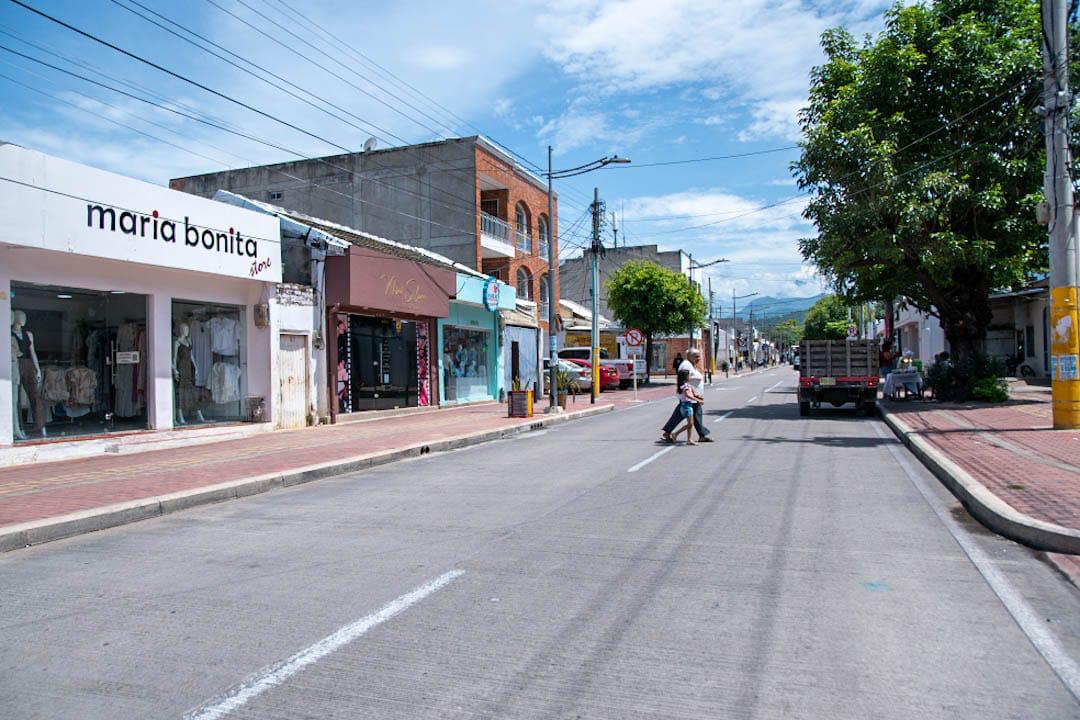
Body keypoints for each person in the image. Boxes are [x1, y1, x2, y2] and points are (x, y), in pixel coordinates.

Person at [660, 348, 712, 443]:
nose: (699, 358)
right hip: (688, 398)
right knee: (681, 415)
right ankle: (668, 433)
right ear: (689, 356)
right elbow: (683, 380)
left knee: (696, 416)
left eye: (699, 356)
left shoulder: (691, 365)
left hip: (692, 398)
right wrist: (692, 395)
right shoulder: (686, 366)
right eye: (696, 356)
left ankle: (701, 435)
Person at [671, 368, 703, 445]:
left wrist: (698, 396)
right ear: (685, 377)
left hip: (687, 405)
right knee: (690, 424)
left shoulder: (686, 385)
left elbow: (693, 393)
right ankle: (675, 433)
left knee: (690, 424)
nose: (690, 377)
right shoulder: (685, 386)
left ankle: (689, 439)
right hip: (686, 406)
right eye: (689, 375)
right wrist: (697, 400)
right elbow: (687, 395)